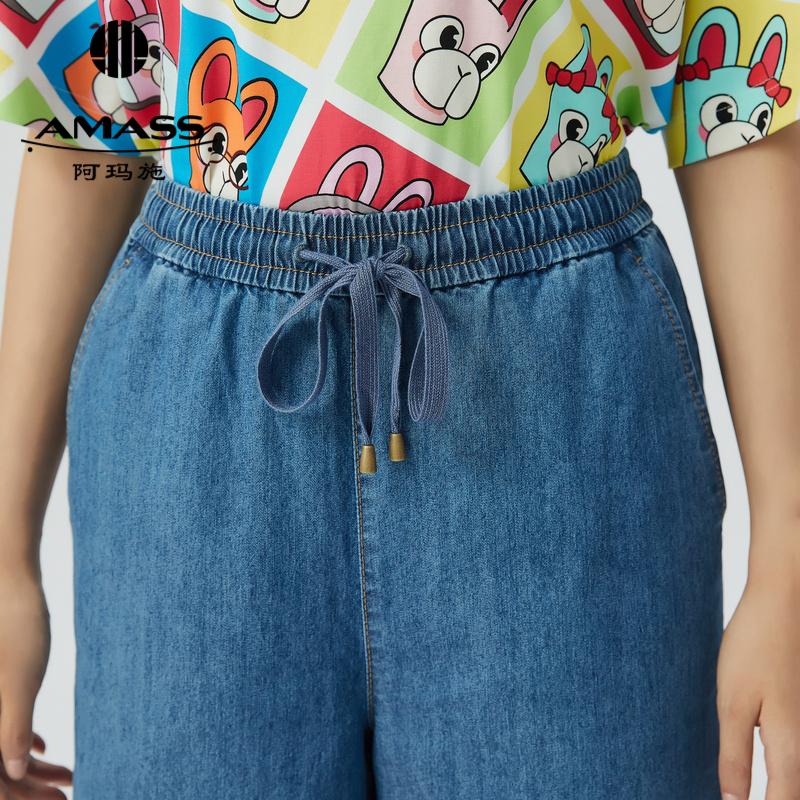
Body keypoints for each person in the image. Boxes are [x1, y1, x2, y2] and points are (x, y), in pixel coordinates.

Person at [0, 1, 798, 798]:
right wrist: (4, 554)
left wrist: (788, 555)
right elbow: (88, 111)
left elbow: (737, 97)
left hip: (562, 406)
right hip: (200, 432)